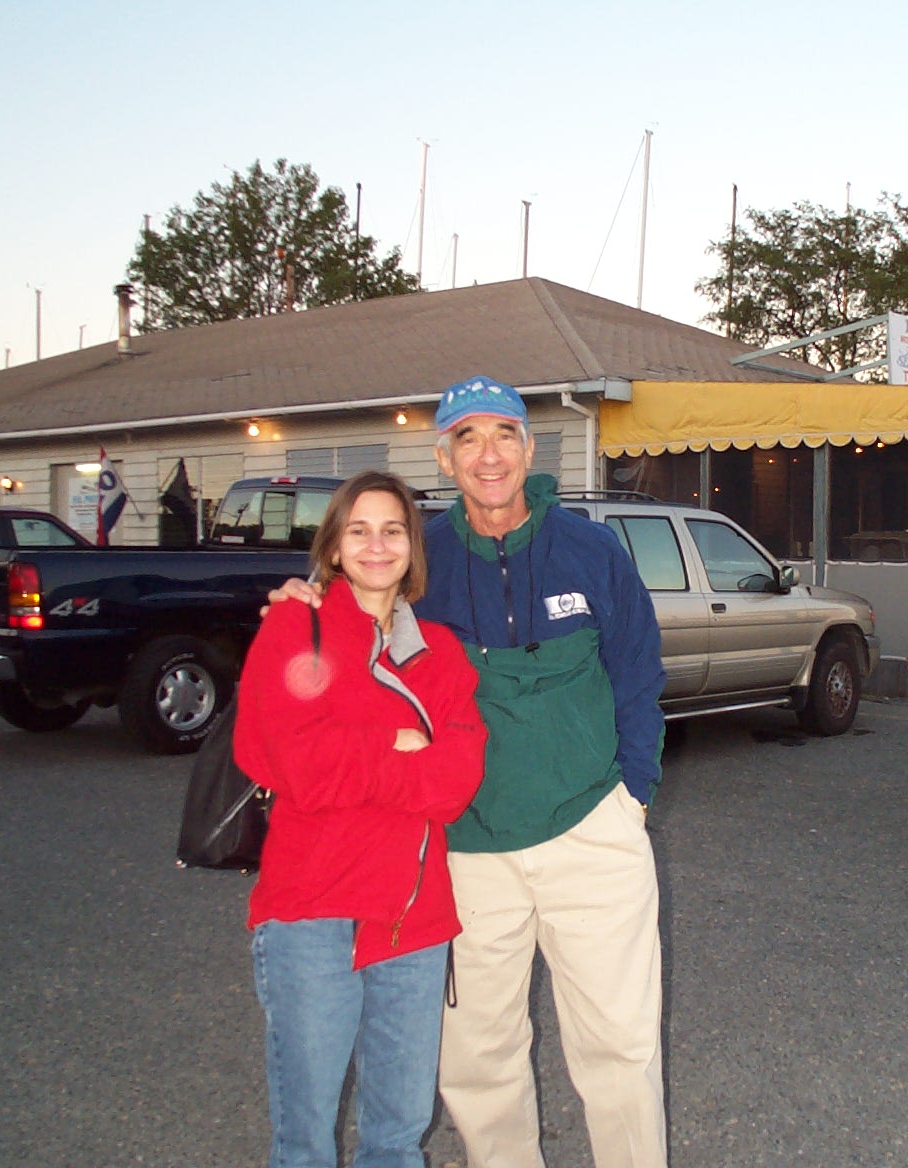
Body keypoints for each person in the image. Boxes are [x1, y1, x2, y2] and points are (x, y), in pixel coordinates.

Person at [272, 375, 669, 1168]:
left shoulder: (591, 551)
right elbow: (349, 630)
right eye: (467, 438)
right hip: (466, 853)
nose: (488, 455)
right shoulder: (420, 561)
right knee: (477, 1061)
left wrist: (634, 794)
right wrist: (303, 605)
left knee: (621, 1049)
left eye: (503, 435)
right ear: (444, 458)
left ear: (529, 448)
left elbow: (638, 673)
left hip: (593, 835)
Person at [236, 470, 487, 1168]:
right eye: (359, 530)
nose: (377, 546)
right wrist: (397, 745)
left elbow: (456, 783)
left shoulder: (441, 652)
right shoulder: (296, 625)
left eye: (393, 530)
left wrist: (358, 761)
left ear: (413, 547)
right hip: (312, 911)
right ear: (334, 547)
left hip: (411, 919)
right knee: (305, 1140)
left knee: (397, 1137)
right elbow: (292, 762)